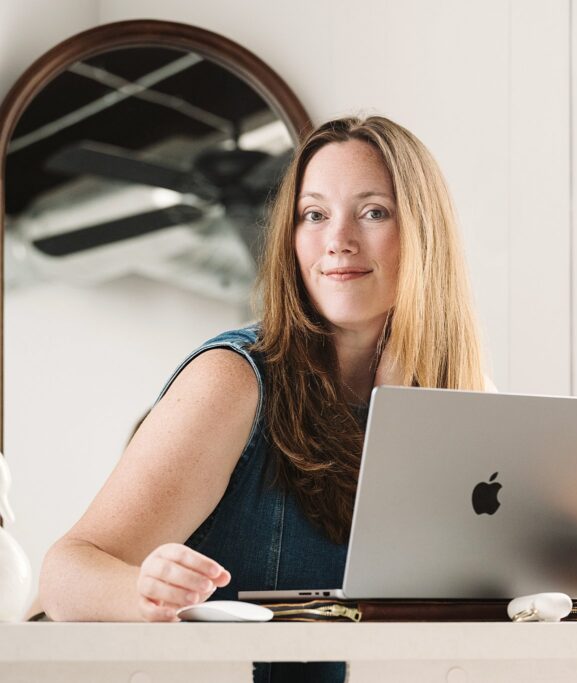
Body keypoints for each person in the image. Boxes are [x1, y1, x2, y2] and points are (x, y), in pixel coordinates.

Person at [38, 115, 493, 680]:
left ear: (426, 234)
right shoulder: (233, 380)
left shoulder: (464, 400)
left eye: (373, 212)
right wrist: (143, 591)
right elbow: (64, 573)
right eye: (315, 214)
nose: (338, 240)